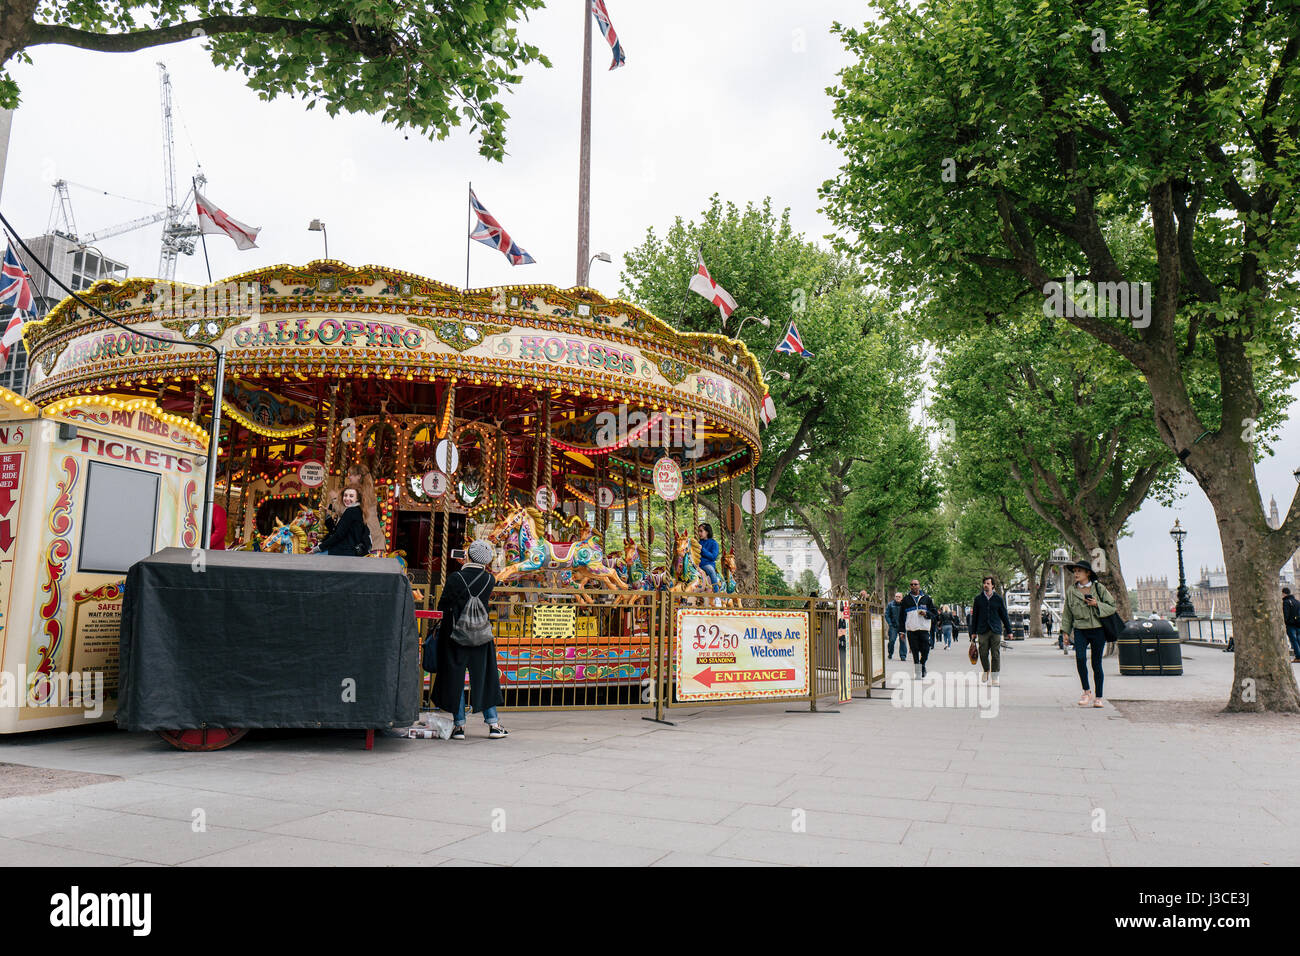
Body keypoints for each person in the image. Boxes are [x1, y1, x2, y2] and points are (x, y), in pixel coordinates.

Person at [432, 539, 508, 739]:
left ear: (468, 556)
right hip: (481, 636)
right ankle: (493, 724)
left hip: (456, 636)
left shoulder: (456, 577)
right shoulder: (489, 579)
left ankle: (459, 726)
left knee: (455, 679)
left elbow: (444, 604)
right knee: (485, 678)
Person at [1059, 559, 1117, 708]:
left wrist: (1096, 603)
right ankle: (1086, 692)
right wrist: (1065, 632)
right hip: (1080, 630)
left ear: (1087, 573)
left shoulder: (1099, 588)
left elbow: (1112, 607)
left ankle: (1098, 697)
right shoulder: (1071, 591)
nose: (1076, 574)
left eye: (1079, 571)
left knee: (1096, 663)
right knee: (1080, 659)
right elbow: (1067, 613)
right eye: (1075, 571)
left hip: (1098, 629)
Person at [969, 576, 1012, 686]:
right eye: (984, 583)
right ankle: (986, 670)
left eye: (988, 583)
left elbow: (1004, 615)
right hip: (982, 630)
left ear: (993, 585)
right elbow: (974, 617)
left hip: (996, 630)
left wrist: (1009, 630)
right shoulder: (978, 599)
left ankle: (995, 677)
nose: (986, 585)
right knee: (983, 653)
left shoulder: (998, 599)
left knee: (995, 654)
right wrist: (973, 632)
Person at [310, 487, 369, 556]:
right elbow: (335, 531)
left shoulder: (351, 511)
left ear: (357, 498)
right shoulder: (357, 511)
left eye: (351, 496)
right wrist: (327, 516)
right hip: (348, 549)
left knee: (316, 557)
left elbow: (338, 535)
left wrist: (318, 548)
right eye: (345, 495)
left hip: (345, 550)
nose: (347, 498)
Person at [898, 579, 937, 678]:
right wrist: (902, 631)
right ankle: (918, 672)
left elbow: (934, 614)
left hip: (924, 629)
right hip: (911, 629)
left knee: (926, 650)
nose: (913, 586)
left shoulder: (927, 599)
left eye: (915, 584)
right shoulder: (906, 600)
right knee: (915, 651)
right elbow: (902, 617)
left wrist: (926, 614)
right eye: (911, 584)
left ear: (919, 586)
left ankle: (922, 664)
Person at [697, 523, 720, 592]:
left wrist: (702, 549)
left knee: (711, 570)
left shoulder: (713, 543)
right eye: (698, 531)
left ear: (707, 532)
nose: (699, 533)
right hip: (697, 565)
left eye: (701, 531)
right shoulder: (698, 543)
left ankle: (717, 594)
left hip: (706, 565)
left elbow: (713, 557)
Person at [885, 592, 904, 661]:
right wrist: (890, 624)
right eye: (896, 596)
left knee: (902, 641)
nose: (897, 598)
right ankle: (890, 653)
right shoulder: (890, 604)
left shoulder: (904, 605)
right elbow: (887, 615)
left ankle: (903, 656)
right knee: (892, 640)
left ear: (902, 598)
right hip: (893, 626)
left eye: (899, 596)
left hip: (902, 626)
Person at [1283, 587, 1300, 663]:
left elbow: (1285, 614)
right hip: (1298, 624)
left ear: (1284, 593)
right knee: (1299, 640)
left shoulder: (1286, 602)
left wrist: (1285, 622)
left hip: (1291, 625)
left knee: (1293, 640)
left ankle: (1298, 657)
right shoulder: (1297, 601)